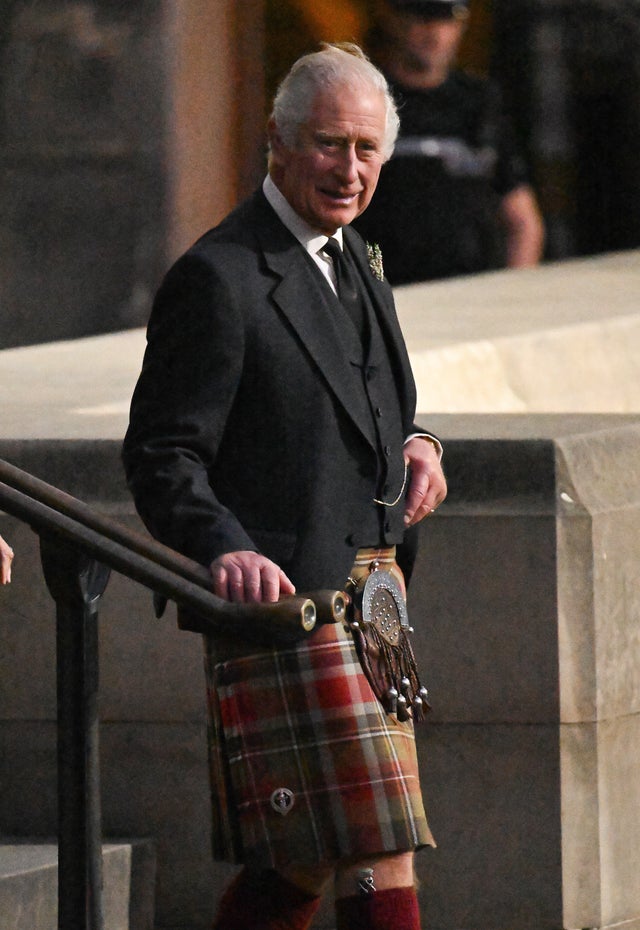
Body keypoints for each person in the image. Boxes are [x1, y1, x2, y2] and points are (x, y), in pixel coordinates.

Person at [122, 43, 447, 930]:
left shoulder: (362, 264)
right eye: (330, 145)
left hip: (379, 598)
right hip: (289, 601)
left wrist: (418, 441)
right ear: (276, 139)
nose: (351, 170)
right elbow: (160, 451)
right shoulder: (218, 277)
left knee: (306, 859)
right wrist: (223, 544)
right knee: (379, 838)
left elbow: (388, 400)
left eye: (368, 149)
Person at [353, 0, 545, 284]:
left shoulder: (480, 103)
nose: (435, 33)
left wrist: (512, 300)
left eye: (447, 19)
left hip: (469, 296)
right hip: (387, 295)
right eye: (423, 17)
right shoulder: (364, 101)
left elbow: (523, 221)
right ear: (394, 20)